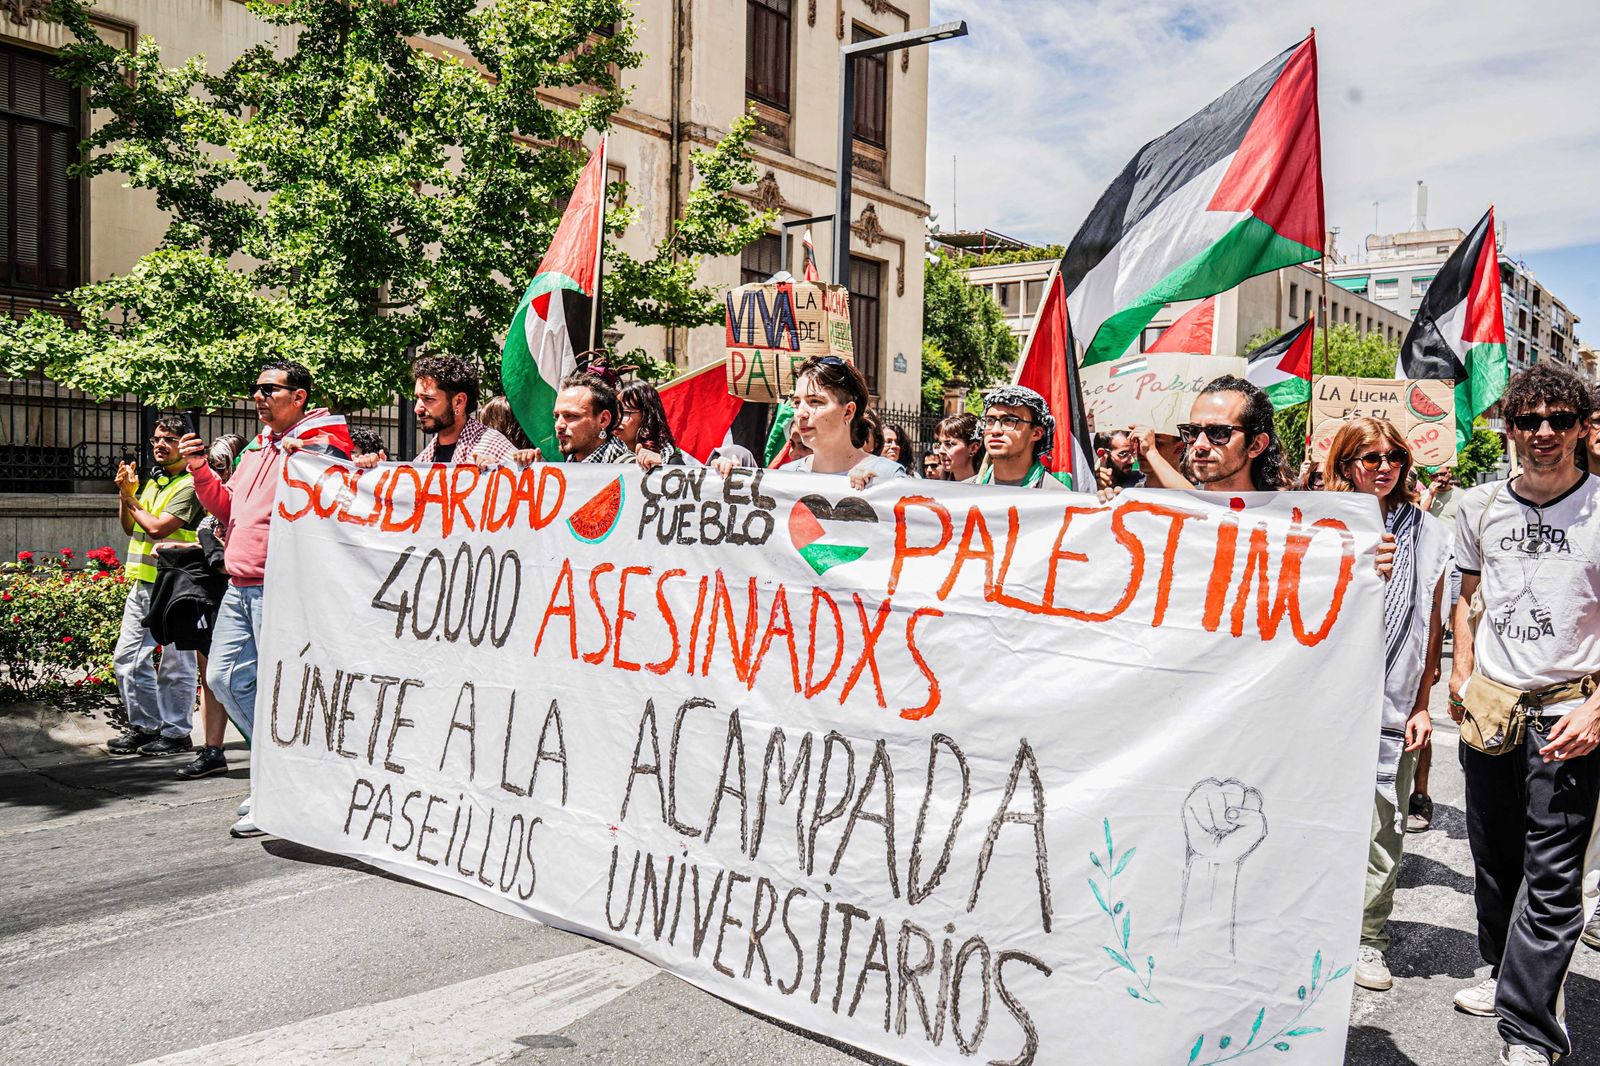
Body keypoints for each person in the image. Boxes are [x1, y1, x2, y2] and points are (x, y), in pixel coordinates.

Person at [1446, 362, 1600, 1065]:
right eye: (1528, 420)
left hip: (1569, 716)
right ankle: (1503, 972)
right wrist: (1460, 665)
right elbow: (1466, 595)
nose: (1543, 433)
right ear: (1508, 427)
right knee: (1494, 862)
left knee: (1552, 877)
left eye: (1558, 420)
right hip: (1492, 713)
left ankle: (1531, 1031)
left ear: (1579, 428)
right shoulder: (1478, 507)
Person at [178, 361, 351, 837]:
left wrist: (308, 451)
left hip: (281, 588)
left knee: (282, 691)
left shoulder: (317, 441)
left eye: (269, 389)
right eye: (254, 389)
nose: (258, 396)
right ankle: (280, 775)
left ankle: (282, 784)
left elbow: (340, 472)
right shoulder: (259, 448)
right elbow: (227, 505)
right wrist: (198, 471)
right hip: (239, 585)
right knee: (223, 677)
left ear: (298, 397)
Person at [1320, 419, 1448, 995]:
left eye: (1394, 455)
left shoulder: (1428, 531)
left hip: (1391, 701)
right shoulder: (1317, 522)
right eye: (1369, 457)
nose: (1383, 466)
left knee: (1381, 830)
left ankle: (1369, 939)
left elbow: (1431, 619)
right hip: (1320, 700)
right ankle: (1310, 931)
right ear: (1345, 463)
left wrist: (1423, 704)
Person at [107, 415, 205, 758]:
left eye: (169, 439)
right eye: (156, 439)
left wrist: (131, 499)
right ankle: (146, 727)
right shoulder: (154, 481)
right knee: (127, 659)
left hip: (178, 584)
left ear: (185, 443)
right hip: (144, 583)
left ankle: (177, 733)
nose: (160, 445)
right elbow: (128, 527)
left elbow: (158, 529)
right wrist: (126, 496)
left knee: (176, 665)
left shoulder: (191, 485)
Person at [176, 434, 247, 780]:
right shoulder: (208, 518)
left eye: (223, 467)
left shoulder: (252, 498)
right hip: (215, 595)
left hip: (245, 591)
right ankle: (213, 749)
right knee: (211, 675)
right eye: (215, 468)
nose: (220, 474)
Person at [718, 357, 902, 487]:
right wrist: (727, 481)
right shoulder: (786, 476)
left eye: (815, 401)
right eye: (797, 402)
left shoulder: (888, 476)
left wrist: (879, 492)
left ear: (848, 412)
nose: (801, 413)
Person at [408, 354, 515, 467]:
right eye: (417, 398)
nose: (417, 409)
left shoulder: (494, 448)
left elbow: (528, 479)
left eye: (428, 399)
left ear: (459, 401)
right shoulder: (422, 460)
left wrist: (497, 473)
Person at [969, 385, 1069, 489]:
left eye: (1009, 421)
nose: (995, 430)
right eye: (989, 420)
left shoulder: (1058, 498)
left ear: (1036, 433)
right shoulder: (963, 494)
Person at [618, 379, 692, 469]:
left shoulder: (670, 461)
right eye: (613, 412)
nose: (617, 419)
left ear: (646, 417)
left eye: (626, 412)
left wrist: (663, 467)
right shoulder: (601, 455)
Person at [934, 413, 983, 483]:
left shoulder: (987, 487)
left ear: (973, 448)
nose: (941, 451)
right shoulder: (940, 487)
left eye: (949, 444)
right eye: (939, 444)